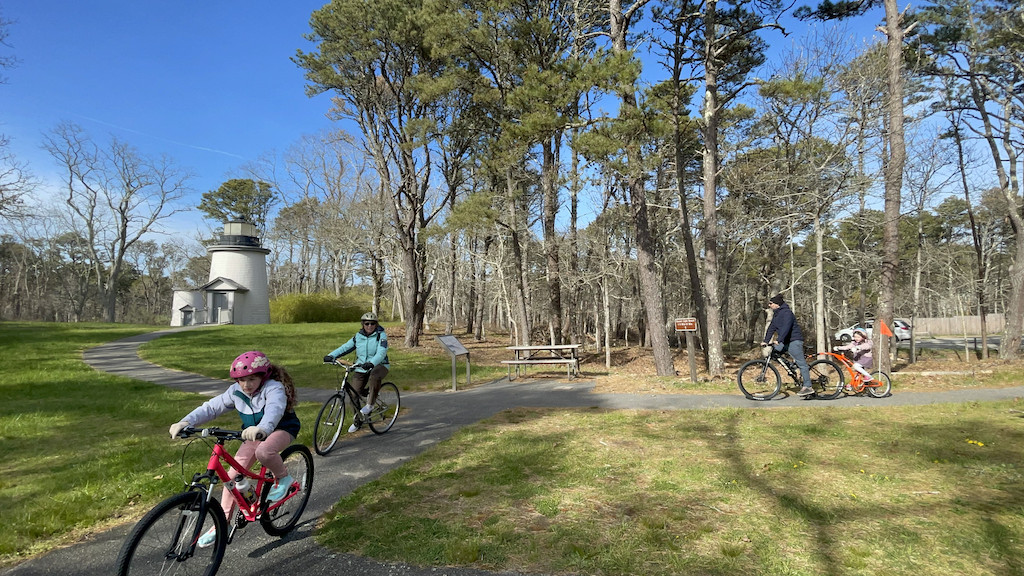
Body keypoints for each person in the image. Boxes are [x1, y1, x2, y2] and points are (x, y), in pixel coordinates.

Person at [168, 351, 300, 547]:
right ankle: (223, 523)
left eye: (252, 379)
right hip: (253, 433)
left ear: (264, 376)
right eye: (241, 380)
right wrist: (186, 421)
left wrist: (263, 428)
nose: (246, 384)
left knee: (264, 452)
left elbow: (275, 409)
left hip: (280, 429)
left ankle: (283, 478)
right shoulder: (235, 391)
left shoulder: (274, 388)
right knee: (230, 478)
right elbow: (212, 407)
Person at [323, 312, 390, 433]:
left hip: (380, 365)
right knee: (353, 393)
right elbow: (345, 347)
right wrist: (331, 355)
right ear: (363, 324)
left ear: (376, 324)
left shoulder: (381, 336)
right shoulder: (358, 336)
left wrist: (372, 363)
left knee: (374, 375)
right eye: (367, 323)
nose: (369, 326)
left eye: (372, 324)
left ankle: (370, 404)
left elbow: (381, 352)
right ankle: (358, 420)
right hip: (361, 367)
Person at [760, 293, 815, 396]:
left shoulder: (787, 313)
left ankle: (808, 386)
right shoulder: (776, 315)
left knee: (802, 364)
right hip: (785, 341)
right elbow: (771, 328)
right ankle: (791, 366)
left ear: (777, 304)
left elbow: (786, 327)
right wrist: (766, 341)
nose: (769, 305)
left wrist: (779, 339)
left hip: (794, 340)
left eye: (771, 303)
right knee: (774, 353)